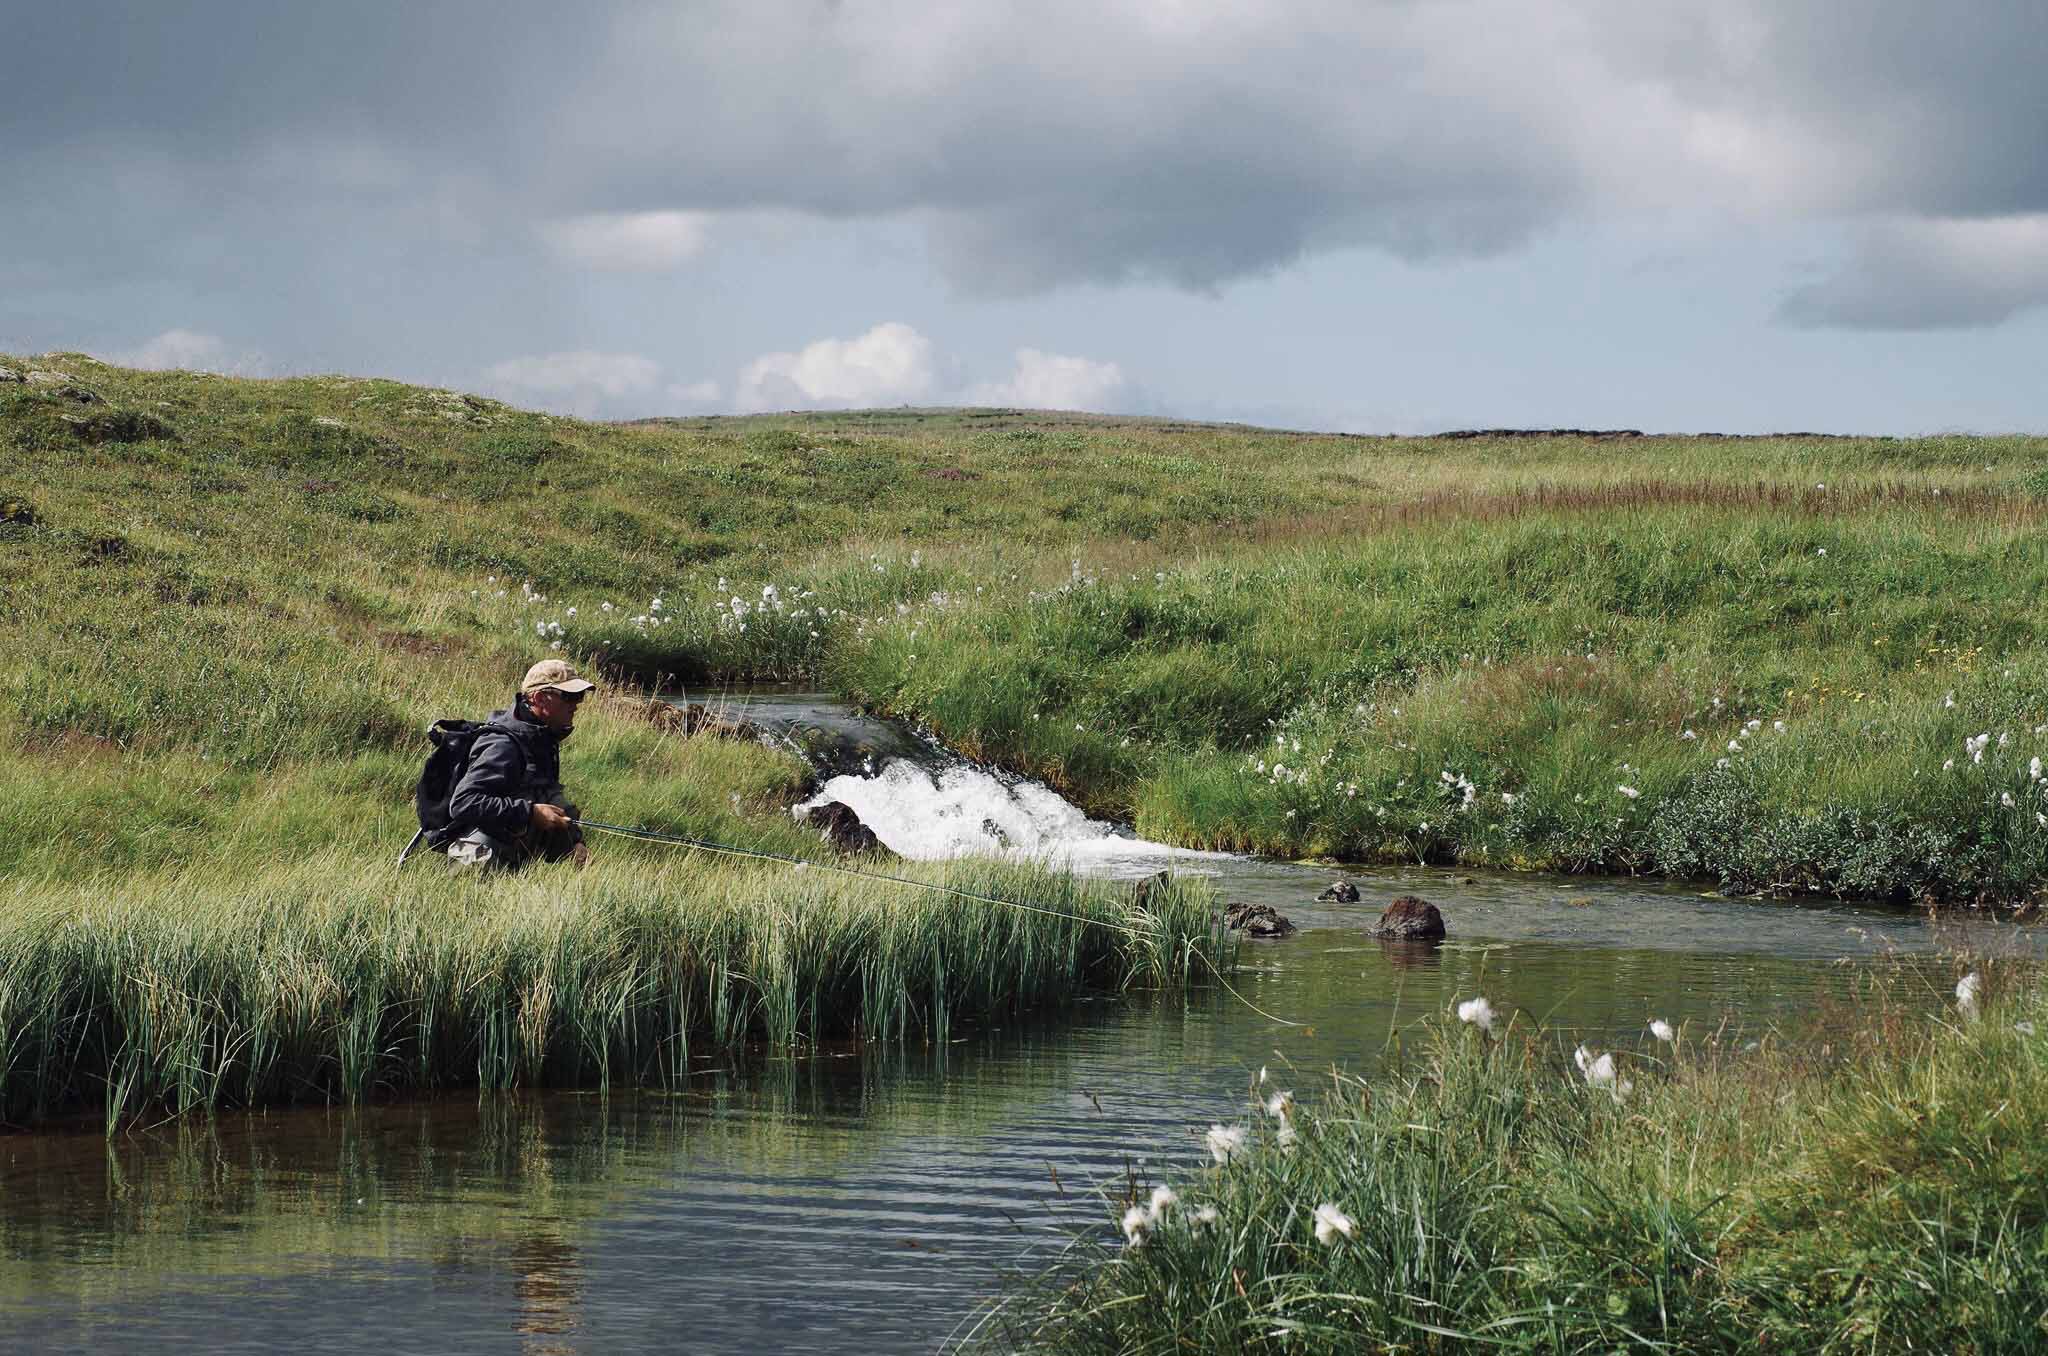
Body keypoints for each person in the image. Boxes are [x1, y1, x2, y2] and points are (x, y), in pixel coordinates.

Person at [445, 659, 595, 871]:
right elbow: (463, 802)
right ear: (540, 698)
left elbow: (549, 798)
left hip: (508, 849)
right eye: (569, 696)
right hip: (476, 856)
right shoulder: (503, 745)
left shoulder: (540, 739)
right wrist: (531, 813)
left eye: (579, 696)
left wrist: (575, 842)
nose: (576, 705)